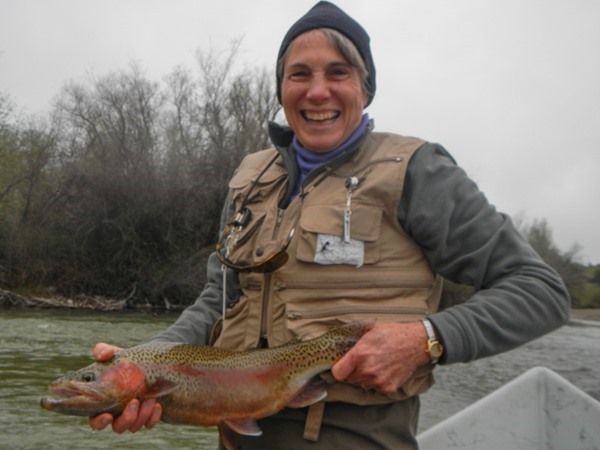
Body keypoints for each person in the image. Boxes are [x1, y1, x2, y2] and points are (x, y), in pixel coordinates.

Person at [89, 2, 570, 448]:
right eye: (299, 74)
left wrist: (427, 338)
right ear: (282, 89)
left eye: (338, 73)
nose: (317, 91)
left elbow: (539, 290)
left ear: (365, 86)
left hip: (354, 435)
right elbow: (218, 302)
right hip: (235, 432)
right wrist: (144, 365)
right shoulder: (250, 179)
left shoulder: (419, 171)